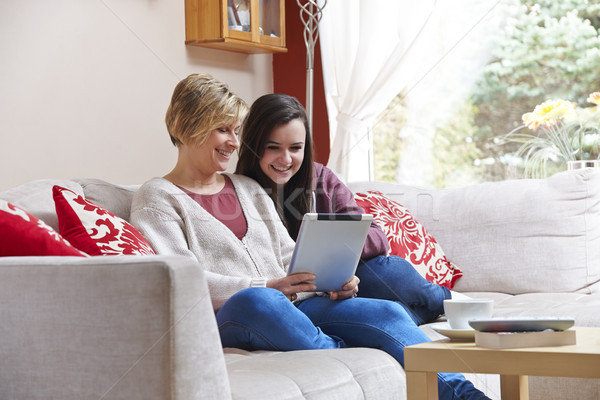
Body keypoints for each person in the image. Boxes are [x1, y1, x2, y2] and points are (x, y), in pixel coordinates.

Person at [131, 74, 490, 400]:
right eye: (223, 130)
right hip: (232, 314)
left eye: (236, 131)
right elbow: (181, 280)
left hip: (294, 304)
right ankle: (335, 347)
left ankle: (464, 394)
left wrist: (333, 280)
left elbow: (289, 254)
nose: (234, 142)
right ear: (190, 126)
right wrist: (267, 285)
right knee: (259, 301)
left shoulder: (247, 188)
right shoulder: (158, 197)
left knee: (387, 310)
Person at [236, 93, 453, 325]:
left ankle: (445, 299)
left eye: (296, 148)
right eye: (273, 147)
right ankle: (424, 313)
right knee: (386, 297)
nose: (286, 159)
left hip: (347, 281)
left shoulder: (321, 179)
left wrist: (333, 247)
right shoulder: (239, 191)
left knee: (384, 271)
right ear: (254, 145)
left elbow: (378, 238)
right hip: (300, 295)